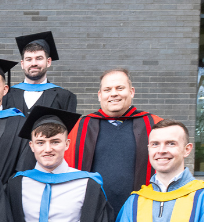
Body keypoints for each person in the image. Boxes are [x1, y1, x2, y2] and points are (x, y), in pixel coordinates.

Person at [65, 68, 162, 212]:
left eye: (120, 88)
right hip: (94, 213)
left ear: (132, 91)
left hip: (141, 212)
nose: (114, 94)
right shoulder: (80, 127)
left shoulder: (154, 125)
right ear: (100, 95)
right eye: (107, 89)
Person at [5, 32, 77, 115]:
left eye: (39, 58)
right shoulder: (6, 95)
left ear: (48, 62)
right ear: (22, 64)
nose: (34, 63)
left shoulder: (64, 96)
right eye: (29, 59)